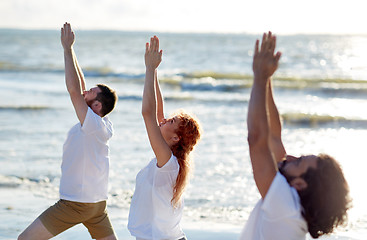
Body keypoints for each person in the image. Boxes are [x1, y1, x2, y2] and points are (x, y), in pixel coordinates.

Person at [240, 32, 351, 239]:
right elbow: (273, 137)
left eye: (298, 161)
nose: (288, 157)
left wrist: (259, 76)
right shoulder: (293, 210)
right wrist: (267, 79)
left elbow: (256, 139)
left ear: (300, 185)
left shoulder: (285, 209)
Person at [18, 23, 118, 240]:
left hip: (75, 204)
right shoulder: (99, 124)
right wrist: (72, 49)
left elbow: (73, 90)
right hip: (97, 207)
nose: (86, 90)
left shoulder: (92, 125)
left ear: (97, 106)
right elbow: (80, 87)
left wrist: (65, 49)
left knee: (24, 239)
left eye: (92, 91)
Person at [127, 36, 201, 240]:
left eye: (170, 122)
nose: (164, 120)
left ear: (176, 138)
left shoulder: (168, 163)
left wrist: (149, 70)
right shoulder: (171, 159)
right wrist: (154, 70)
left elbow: (148, 114)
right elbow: (158, 112)